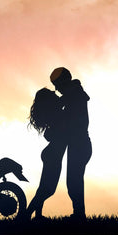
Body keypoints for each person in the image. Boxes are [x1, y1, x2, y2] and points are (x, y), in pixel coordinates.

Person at [50, 66, 92, 220]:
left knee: (74, 181)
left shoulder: (74, 93)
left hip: (80, 144)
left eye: (57, 85)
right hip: (78, 145)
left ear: (64, 82)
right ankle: (78, 214)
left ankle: (79, 215)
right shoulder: (73, 93)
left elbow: (59, 106)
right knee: (73, 181)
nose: (56, 89)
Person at [25, 87, 67, 221]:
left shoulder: (55, 112)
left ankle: (37, 216)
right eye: (52, 94)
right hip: (53, 154)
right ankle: (26, 215)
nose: (55, 93)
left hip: (50, 153)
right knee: (48, 190)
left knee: (43, 188)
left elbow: (49, 135)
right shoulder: (58, 113)